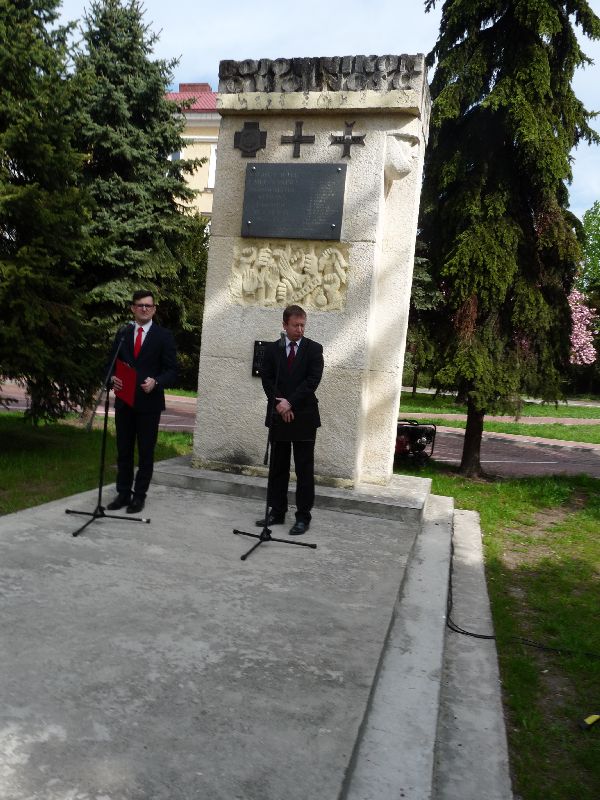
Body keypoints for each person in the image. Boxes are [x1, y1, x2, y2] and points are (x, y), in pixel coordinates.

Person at [106, 291, 177, 513]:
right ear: (132, 308)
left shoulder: (163, 336)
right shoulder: (124, 333)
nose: (144, 309)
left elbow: (172, 371)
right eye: (140, 305)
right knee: (124, 451)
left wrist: (157, 381)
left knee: (145, 453)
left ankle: (139, 496)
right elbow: (110, 365)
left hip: (149, 404)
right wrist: (112, 379)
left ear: (154, 309)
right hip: (124, 401)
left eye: (148, 306)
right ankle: (123, 493)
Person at [257, 304, 324, 536]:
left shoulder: (314, 349)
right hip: (279, 416)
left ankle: (303, 517)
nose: (300, 329)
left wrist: (290, 403)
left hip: (303, 417)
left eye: (303, 325)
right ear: (284, 325)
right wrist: (279, 404)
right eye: (295, 325)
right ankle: (277, 511)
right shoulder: (273, 349)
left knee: (304, 470)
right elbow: (267, 379)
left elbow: (312, 380)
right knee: (278, 467)